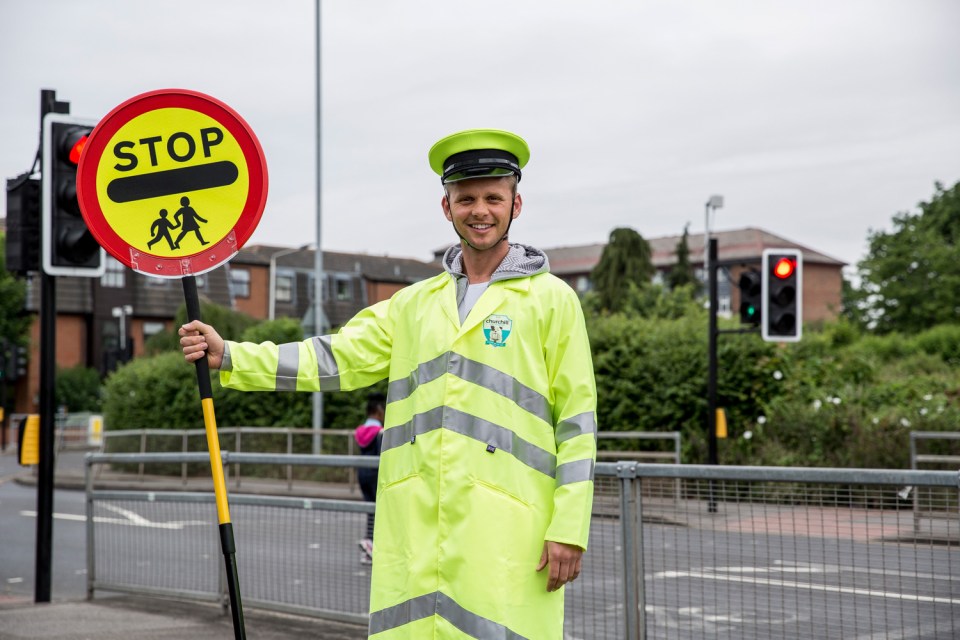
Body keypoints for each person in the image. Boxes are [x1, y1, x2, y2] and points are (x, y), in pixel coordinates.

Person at [180, 129, 598, 639]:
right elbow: (335, 356)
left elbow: (577, 423)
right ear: (446, 207)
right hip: (415, 529)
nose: (480, 210)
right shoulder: (414, 303)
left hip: (509, 531)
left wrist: (569, 529)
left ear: (517, 204)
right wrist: (233, 356)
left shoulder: (553, 300)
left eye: (494, 197)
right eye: (466, 199)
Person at [355, 391, 386, 564]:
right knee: (379, 509)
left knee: (370, 509)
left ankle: (368, 549)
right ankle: (371, 544)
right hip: (375, 474)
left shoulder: (360, 431)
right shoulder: (380, 433)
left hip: (362, 473)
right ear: (379, 411)